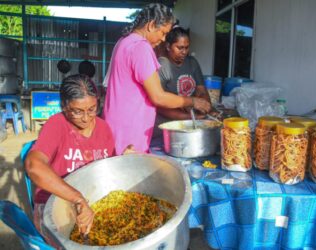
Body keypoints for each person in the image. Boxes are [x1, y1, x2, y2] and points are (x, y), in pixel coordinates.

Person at [102, 3, 211, 155]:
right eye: (163, 32)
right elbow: (158, 97)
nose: (163, 38)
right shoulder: (141, 47)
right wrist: (192, 101)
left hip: (117, 124)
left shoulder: (124, 41)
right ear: (152, 25)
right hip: (130, 129)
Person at [25, 74, 117, 241]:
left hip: (92, 201)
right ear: (64, 107)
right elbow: (34, 166)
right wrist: (77, 198)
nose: (86, 118)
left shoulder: (103, 128)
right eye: (77, 111)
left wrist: (125, 157)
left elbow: (109, 168)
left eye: (92, 109)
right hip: (53, 204)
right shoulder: (57, 125)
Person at [152, 27, 212, 139]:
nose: (184, 52)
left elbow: (201, 90)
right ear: (168, 46)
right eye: (180, 48)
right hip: (167, 127)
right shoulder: (162, 66)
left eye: (187, 47)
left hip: (190, 123)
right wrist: (187, 116)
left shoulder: (192, 63)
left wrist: (205, 108)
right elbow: (159, 104)